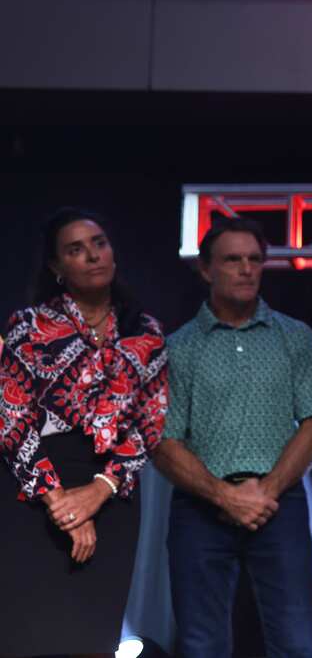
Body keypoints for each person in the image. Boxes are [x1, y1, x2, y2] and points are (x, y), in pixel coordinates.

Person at [153, 217, 312, 658]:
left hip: (279, 504)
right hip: (199, 508)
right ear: (205, 270)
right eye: (232, 260)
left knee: (296, 642)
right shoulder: (178, 348)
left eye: (254, 259)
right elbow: (163, 441)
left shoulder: (294, 336)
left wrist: (265, 491)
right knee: (201, 645)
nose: (246, 269)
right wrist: (223, 496)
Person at [0, 207, 169, 657]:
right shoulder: (29, 325)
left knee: (92, 640)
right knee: (27, 637)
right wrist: (60, 503)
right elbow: (12, 414)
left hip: (112, 494)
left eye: (99, 244)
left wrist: (98, 491)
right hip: (34, 492)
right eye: (76, 249)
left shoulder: (145, 332)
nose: (93, 256)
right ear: (57, 268)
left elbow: (149, 424)